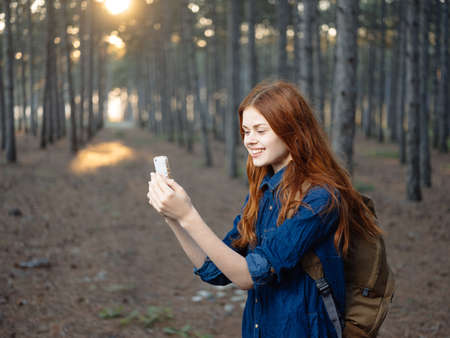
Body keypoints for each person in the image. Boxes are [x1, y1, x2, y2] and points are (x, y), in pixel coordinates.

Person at [147, 81, 382, 337]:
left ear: (292, 131)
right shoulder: (263, 194)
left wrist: (188, 215)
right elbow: (216, 271)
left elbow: (247, 276)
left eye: (261, 130)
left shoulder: (321, 198)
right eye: (246, 131)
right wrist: (174, 218)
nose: (250, 140)